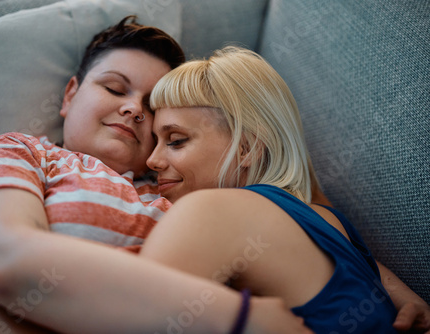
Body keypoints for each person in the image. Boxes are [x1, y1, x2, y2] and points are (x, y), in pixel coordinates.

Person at [0, 18, 428, 333]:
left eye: (158, 118)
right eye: (114, 88)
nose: (131, 111)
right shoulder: (23, 152)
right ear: (68, 94)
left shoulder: (186, 192)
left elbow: (293, 217)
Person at [139, 46, 430, 333]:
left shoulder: (211, 211)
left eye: (175, 140)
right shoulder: (331, 222)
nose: (152, 160)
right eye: (154, 141)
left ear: (247, 147)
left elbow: (133, 317)